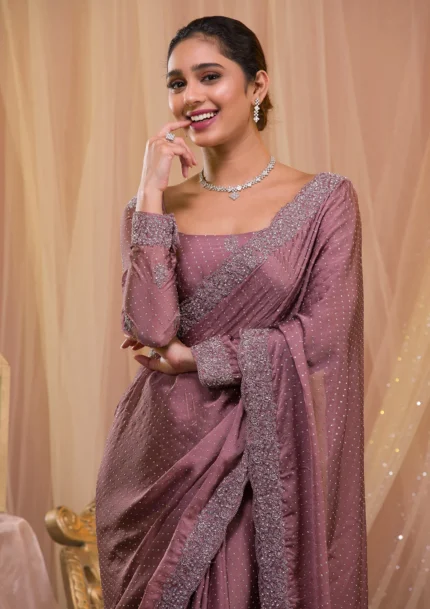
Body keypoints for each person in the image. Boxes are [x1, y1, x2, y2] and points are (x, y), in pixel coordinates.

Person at [95, 15, 368, 609]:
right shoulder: (151, 210)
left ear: (257, 85)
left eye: (209, 76)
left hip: (266, 457)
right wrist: (150, 192)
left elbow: (325, 334)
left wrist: (198, 359)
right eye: (177, 83)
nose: (190, 96)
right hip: (160, 459)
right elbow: (150, 328)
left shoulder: (325, 201)